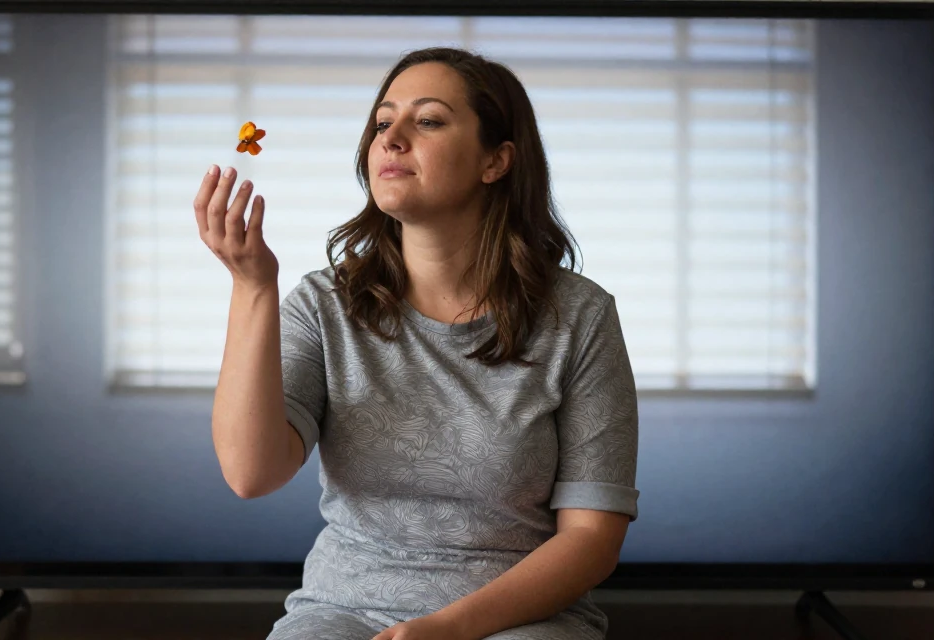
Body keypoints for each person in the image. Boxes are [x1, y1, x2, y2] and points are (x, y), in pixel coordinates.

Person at [194, 46, 639, 640]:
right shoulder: (325, 304)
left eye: (427, 120)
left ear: (496, 160)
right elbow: (251, 474)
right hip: (339, 613)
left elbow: (591, 540)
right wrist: (253, 288)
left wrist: (448, 629)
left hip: (521, 621)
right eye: (382, 123)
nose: (390, 139)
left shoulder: (580, 317)